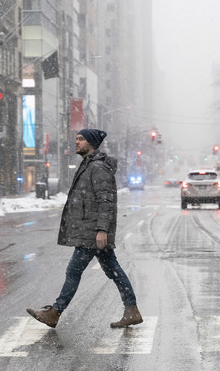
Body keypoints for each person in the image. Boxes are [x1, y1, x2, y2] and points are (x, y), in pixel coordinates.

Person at [27, 129, 142, 329]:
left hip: (92, 231)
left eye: (81, 139)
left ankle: (55, 312)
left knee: (74, 270)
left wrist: (102, 230)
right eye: (76, 139)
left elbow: (106, 201)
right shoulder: (89, 165)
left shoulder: (97, 167)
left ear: (91, 143)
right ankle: (132, 310)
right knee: (113, 270)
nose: (77, 142)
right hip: (90, 230)